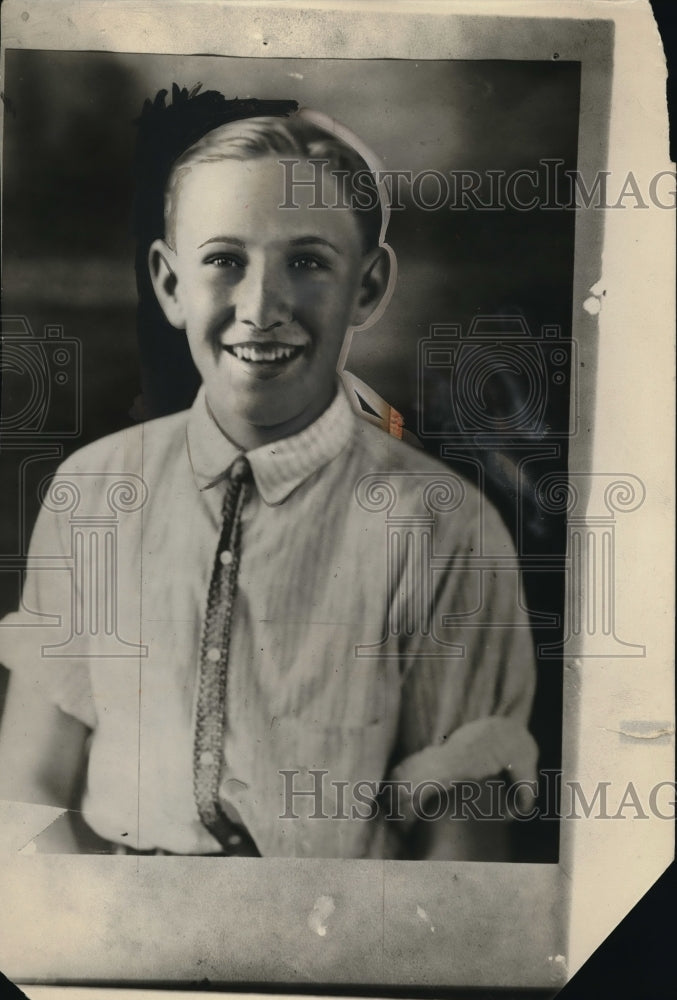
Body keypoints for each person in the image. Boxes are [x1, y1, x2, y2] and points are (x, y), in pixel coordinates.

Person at [0, 95, 537, 859]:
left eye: (308, 263)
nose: (261, 307)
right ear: (170, 283)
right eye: (224, 261)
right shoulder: (93, 492)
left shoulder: (442, 526)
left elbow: (461, 855)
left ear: (368, 286)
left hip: (347, 954)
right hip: (118, 938)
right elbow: (29, 787)